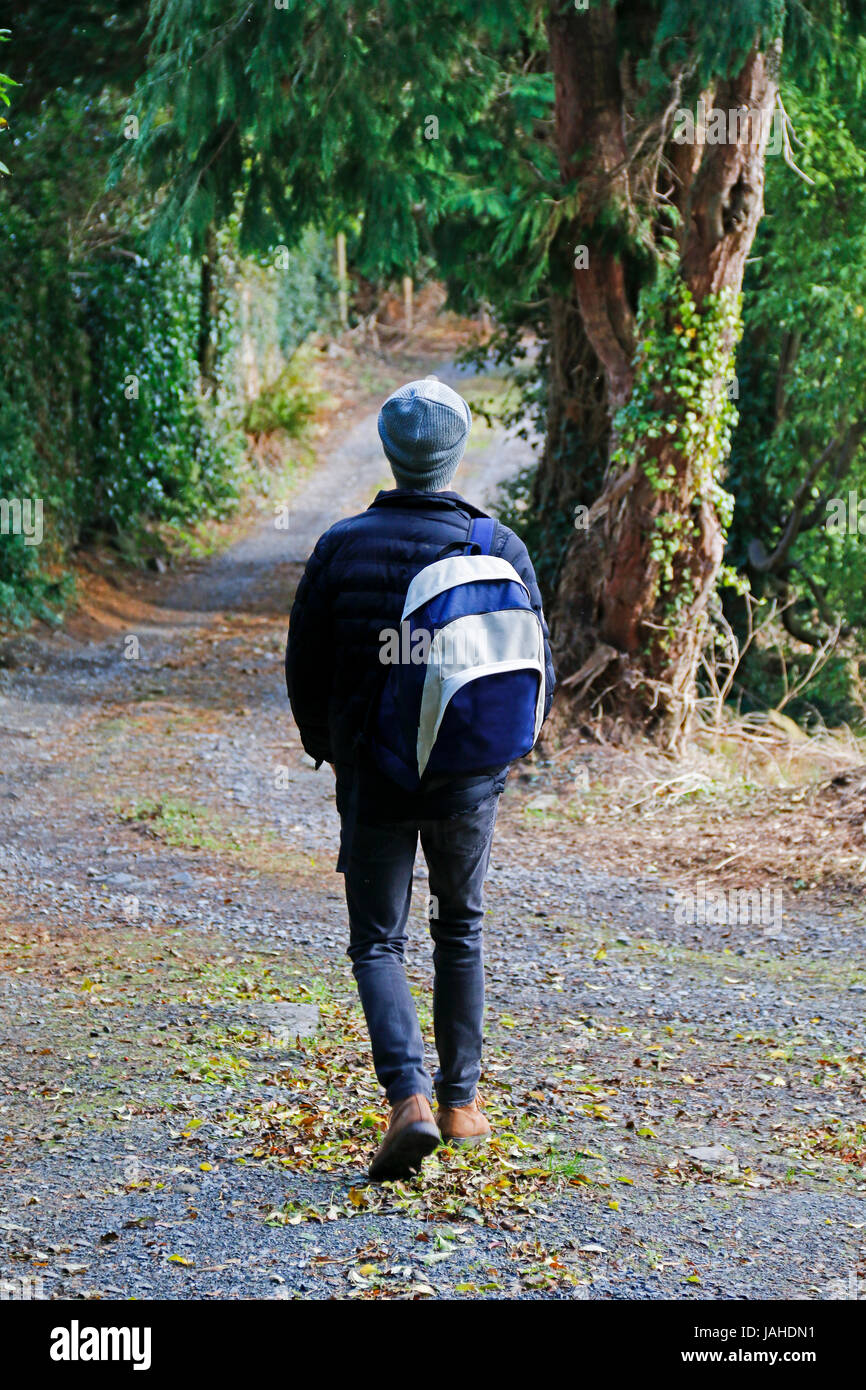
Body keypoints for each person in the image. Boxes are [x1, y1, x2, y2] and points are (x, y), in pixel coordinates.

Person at [286, 377, 554, 1180]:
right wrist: (504, 755)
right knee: (460, 927)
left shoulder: (342, 544)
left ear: (390, 451)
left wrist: (326, 746)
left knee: (377, 938)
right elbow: (538, 663)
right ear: (455, 452)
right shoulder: (496, 547)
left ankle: (407, 1098)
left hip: (373, 773)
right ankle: (462, 1103)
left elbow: (304, 664)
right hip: (467, 778)